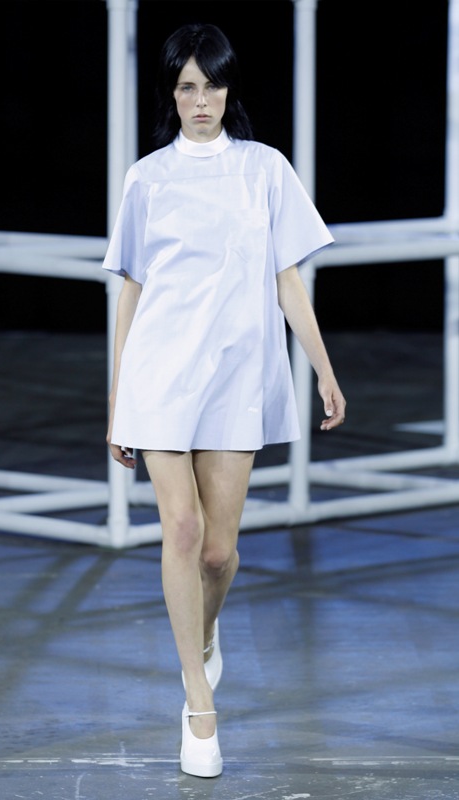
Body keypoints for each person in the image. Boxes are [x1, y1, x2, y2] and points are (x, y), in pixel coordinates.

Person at [103, 23, 346, 779]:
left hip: (238, 373)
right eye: (187, 87)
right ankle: (198, 703)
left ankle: (204, 634)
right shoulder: (147, 178)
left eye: (211, 85)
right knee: (180, 529)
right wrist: (117, 398)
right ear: (171, 95)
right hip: (160, 374)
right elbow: (132, 290)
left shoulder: (264, 169)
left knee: (216, 550)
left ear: (227, 89)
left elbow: (286, 277)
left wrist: (323, 367)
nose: (200, 100)